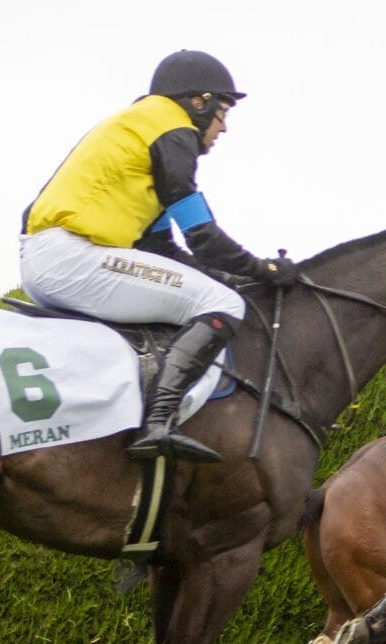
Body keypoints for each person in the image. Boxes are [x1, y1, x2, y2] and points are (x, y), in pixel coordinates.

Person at [19, 50, 300, 463]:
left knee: (213, 292)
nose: (223, 128)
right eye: (222, 113)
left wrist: (231, 275)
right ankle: (158, 421)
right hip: (72, 258)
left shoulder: (141, 131)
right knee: (222, 304)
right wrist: (262, 270)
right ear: (198, 102)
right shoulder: (172, 127)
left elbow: (163, 250)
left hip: (55, 258)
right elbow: (201, 234)